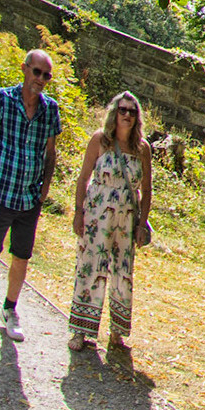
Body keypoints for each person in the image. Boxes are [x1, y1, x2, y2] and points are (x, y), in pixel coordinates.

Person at [0, 49, 63, 347]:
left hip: (29, 197)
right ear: (25, 69)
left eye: (46, 75)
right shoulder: (3, 98)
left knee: (21, 259)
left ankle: (9, 310)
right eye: (36, 72)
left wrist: (46, 187)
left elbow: (50, 152)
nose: (40, 79)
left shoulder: (50, 109)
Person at [67, 91, 152, 351]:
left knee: (122, 272)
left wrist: (142, 223)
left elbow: (146, 190)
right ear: (114, 112)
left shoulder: (142, 148)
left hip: (126, 217)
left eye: (132, 111)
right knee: (90, 267)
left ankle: (117, 331)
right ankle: (81, 330)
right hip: (97, 212)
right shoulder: (99, 140)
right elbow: (83, 179)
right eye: (123, 110)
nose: (127, 115)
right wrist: (78, 213)